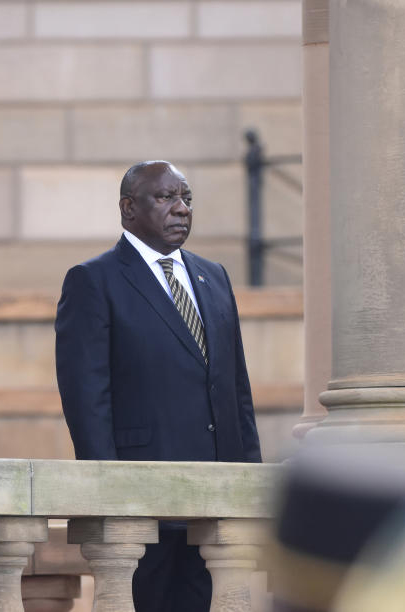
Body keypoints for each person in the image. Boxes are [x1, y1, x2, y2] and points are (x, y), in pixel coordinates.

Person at [55, 160, 262, 612]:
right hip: (143, 504)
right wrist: (109, 491)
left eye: (186, 198)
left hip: (217, 504)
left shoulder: (215, 277)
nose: (181, 208)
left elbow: (236, 390)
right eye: (166, 198)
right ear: (129, 209)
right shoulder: (94, 280)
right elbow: (86, 398)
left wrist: (250, 477)